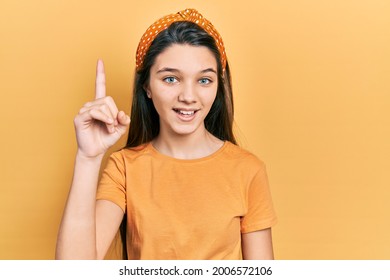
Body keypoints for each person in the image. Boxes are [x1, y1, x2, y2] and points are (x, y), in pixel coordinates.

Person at [56, 8, 277, 260]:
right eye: (171, 79)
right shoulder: (125, 168)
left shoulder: (248, 170)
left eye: (204, 80)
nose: (188, 96)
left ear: (218, 85)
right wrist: (88, 157)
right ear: (147, 86)